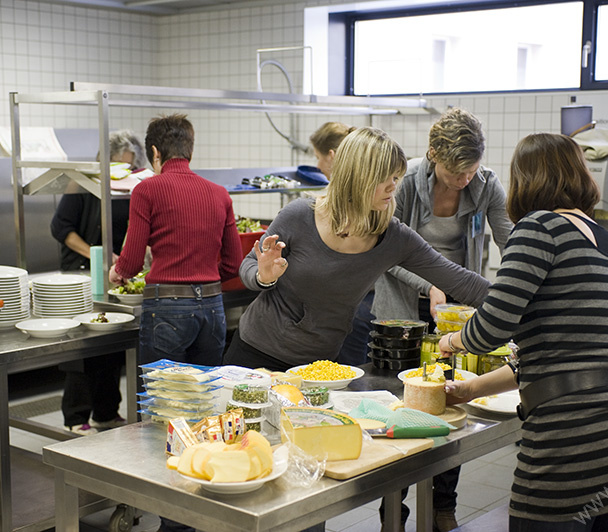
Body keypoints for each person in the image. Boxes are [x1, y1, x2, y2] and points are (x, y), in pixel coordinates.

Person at [439, 133, 608, 532]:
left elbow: (491, 327)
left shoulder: (540, 228)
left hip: (573, 441)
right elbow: (567, 358)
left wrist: (450, 340)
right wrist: (471, 390)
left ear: (525, 180)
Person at [222, 126, 491, 372]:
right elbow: (248, 266)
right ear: (358, 177)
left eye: (396, 177)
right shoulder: (299, 216)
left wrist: (519, 305)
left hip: (319, 367)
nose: (393, 186)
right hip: (255, 354)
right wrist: (264, 277)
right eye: (385, 178)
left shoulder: (393, 237)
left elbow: (461, 281)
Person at [372, 107, 514, 532]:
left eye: (471, 171)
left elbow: (510, 239)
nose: (465, 179)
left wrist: (516, 287)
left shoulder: (486, 186)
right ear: (433, 155)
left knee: (451, 402)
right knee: (399, 410)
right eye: (457, 172)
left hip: (456, 313)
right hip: (401, 309)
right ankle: (392, 514)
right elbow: (387, 250)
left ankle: (444, 506)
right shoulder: (407, 183)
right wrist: (430, 285)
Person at [109, 114, 241, 532]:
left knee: (166, 415)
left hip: (167, 309)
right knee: (204, 411)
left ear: (154, 152)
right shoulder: (219, 194)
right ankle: (204, 506)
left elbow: (130, 261)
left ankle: (173, 522)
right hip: (213, 311)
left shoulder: (147, 189)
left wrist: (116, 274)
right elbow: (234, 263)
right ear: (190, 147)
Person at [50, 129, 147, 435]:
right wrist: (99, 258)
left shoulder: (133, 186)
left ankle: (107, 411)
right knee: (83, 346)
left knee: (111, 343)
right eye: (118, 164)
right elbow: (60, 227)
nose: (124, 171)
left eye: (130, 166)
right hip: (82, 273)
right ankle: (76, 416)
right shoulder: (82, 182)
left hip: (118, 275)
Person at [309, 121, 373, 366]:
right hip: (363, 303)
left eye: (318, 157)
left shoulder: (332, 206)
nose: (317, 165)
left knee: (349, 372)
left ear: (333, 156)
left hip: (354, 308)